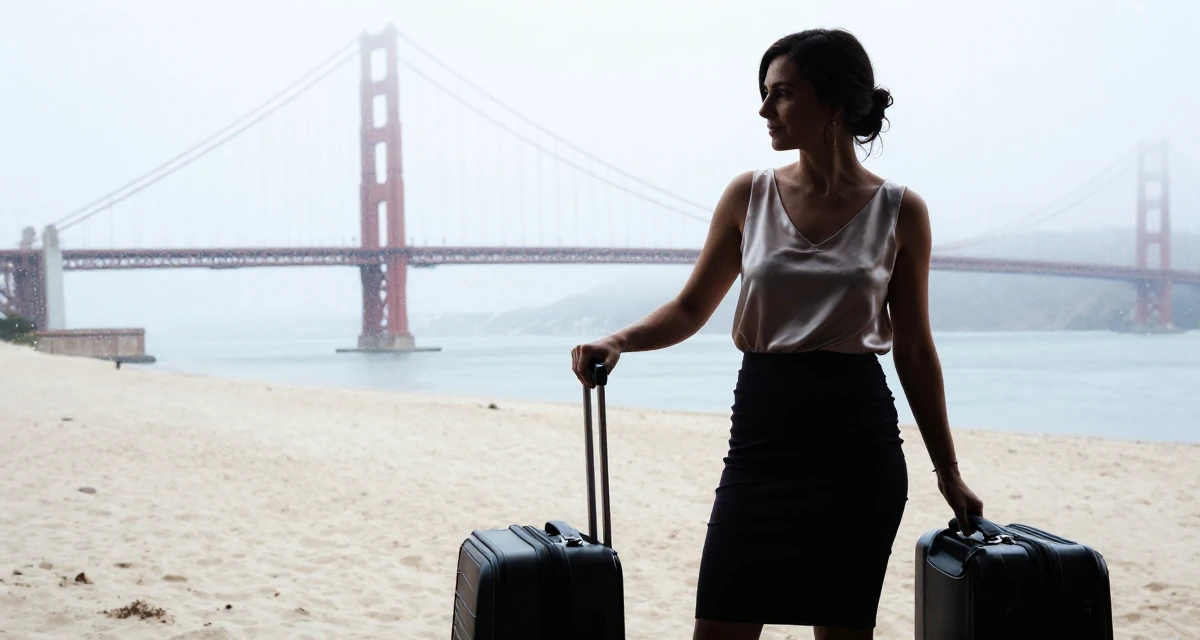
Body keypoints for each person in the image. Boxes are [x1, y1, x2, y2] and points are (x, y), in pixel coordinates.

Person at [570, 28, 985, 640]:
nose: (765, 110)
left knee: (841, 630)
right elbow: (689, 308)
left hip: (858, 446)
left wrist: (947, 470)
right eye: (765, 93)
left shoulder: (903, 211)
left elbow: (916, 348)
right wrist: (619, 341)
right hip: (763, 436)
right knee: (719, 627)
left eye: (783, 94)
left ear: (836, 103)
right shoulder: (748, 195)